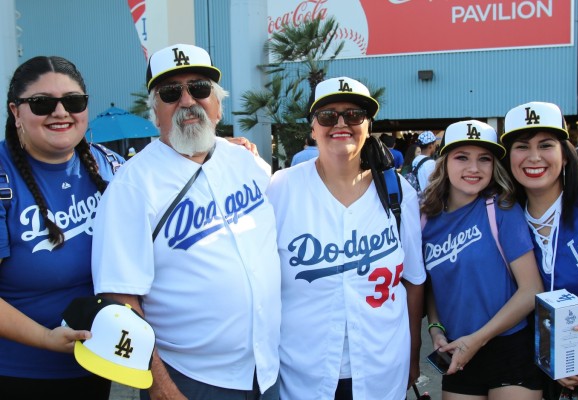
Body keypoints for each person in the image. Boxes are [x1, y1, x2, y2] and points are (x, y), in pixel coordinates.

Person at [91, 43, 281, 400]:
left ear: (218, 103)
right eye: (170, 92)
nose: (187, 101)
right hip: (189, 380)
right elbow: (119, 299)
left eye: (199, 88)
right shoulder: (131, 185)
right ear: (155, 111)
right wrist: (161, 387)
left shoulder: (247, 163)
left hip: (268, 368)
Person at [267, 76, 426, 400]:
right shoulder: (280, 188)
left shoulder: (398, 192)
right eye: (328, 115)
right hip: (302, 373)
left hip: (382, 370)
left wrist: (412, 354)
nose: (341, 123)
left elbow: (413, 281)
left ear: (368, 125)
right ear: (313, 128)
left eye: (354, 115)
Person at [0, 56, 124, 399]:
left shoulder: (112, 167)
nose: (60, 112)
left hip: (96, 364)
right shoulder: (3, 177)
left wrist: (215, 153)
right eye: (42, 103)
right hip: (18, 375)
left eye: (73, 101)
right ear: (16, 112)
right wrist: (45, 338)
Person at [421, 120, 544, 399]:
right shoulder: (425, 218)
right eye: (462, 157)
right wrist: (436, 328)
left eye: (484, 159)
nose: (474, 168)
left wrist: (477, 340)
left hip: (509, 347)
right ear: (444, 162)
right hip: (458, 350)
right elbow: (435, 284)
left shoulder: (501, 207)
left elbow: (531, 290)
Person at [501, 101, 578, 400]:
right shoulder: (504, 217)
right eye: (521, 146)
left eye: (546, 144)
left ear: (565, 155)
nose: (534, 157)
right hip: (541, 375)